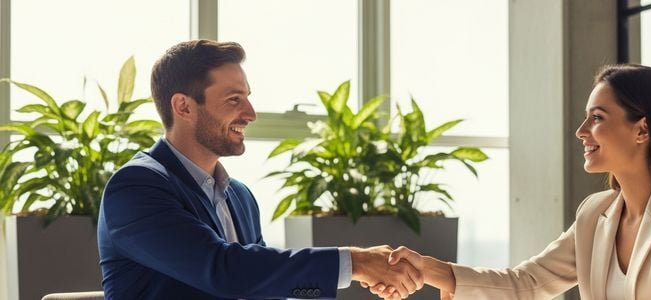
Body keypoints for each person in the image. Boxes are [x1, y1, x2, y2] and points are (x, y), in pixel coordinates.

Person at [368, 64, 651, 299]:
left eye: (596, 118)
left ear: (642, 129)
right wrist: (428, 269)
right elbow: (527, 283)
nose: (581, 132)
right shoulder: (596, 213)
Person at [97, 40, 424, 299]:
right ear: (184, 106)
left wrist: (347, 279)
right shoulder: (135, 187)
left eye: (248, 98)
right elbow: (224, 272)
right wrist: (357, 263)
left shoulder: (239, 196)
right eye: (234, 99)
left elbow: (260, 284)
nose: (251, 113)